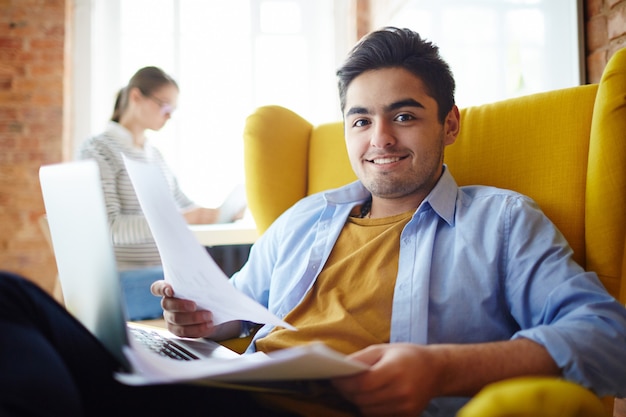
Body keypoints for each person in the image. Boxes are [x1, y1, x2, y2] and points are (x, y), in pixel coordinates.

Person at [0, 27, 624, 417]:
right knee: (14, 301)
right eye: (361, 120)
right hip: (225, 387)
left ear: (450, 124)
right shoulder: (307, 219)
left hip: (300, 409)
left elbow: (608, 337)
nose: (379, 138)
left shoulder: (502, 223)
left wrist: (441, 368)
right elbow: (234, 310)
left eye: (404, 116)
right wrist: (203, 319)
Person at [78, 66, 235, 320]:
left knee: (234, 275)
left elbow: (184, 205)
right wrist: (182, 219)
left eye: (172, 110)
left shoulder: (154, 156)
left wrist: (218, 214)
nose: (169, 116)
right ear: (137, 97)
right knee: (227, 287)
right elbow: (109, 228)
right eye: (165, 106)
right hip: (124, 281)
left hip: (163, 273)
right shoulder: (98, 149)